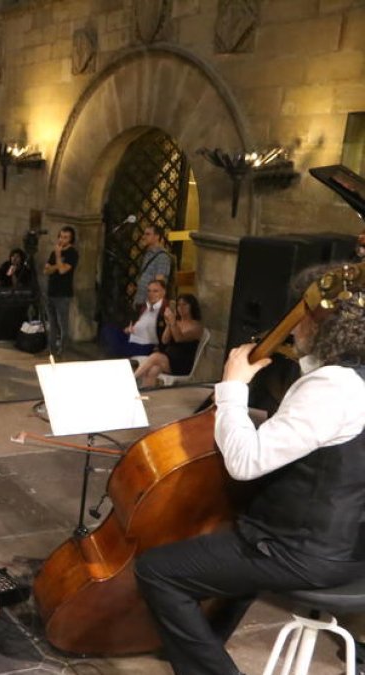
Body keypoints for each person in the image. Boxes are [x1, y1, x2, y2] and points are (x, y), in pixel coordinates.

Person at [135, 263, 365, 675]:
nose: (292, 330)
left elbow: (244, 463)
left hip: (301, 552)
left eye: (299, 318)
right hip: (347, 544)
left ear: (322, 320)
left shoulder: (333, 386)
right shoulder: (353, 380)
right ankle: (203, 645)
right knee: (232, 551)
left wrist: (233, 387)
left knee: (157, 570)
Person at [133, 293, 204, 388]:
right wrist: (169, 324)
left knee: (155, 356)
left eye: (184, 305)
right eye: (179, 305)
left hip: (181, 363)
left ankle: (131, 380)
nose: (181, 308)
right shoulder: (176, 322)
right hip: (169, 358)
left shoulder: (197, 326)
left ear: (192, 307)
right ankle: (147, 397)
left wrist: (173, 322)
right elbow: (164, 340)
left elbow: (179, 338)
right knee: (152, 370)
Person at [44, 226, 78, 357]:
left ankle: (63, 351)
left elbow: (63, 271)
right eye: (61, 236)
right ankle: (51, 349)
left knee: (63, 324)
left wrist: (58, 256)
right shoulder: (54, 252)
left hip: (63, 294)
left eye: (65, 237)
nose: (62, 240)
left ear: (71, 239)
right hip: (51, 291)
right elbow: (46, 270)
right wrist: (58, 264)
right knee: (51, 323)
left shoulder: (72, 253)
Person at [135, 224, 172, 305]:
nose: (144, 237)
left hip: (148, 304)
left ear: (157, 236)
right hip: (140, 300)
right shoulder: (148, 253)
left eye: (148, 234)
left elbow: (159, 284)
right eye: (144, 234)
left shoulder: (162, 257)